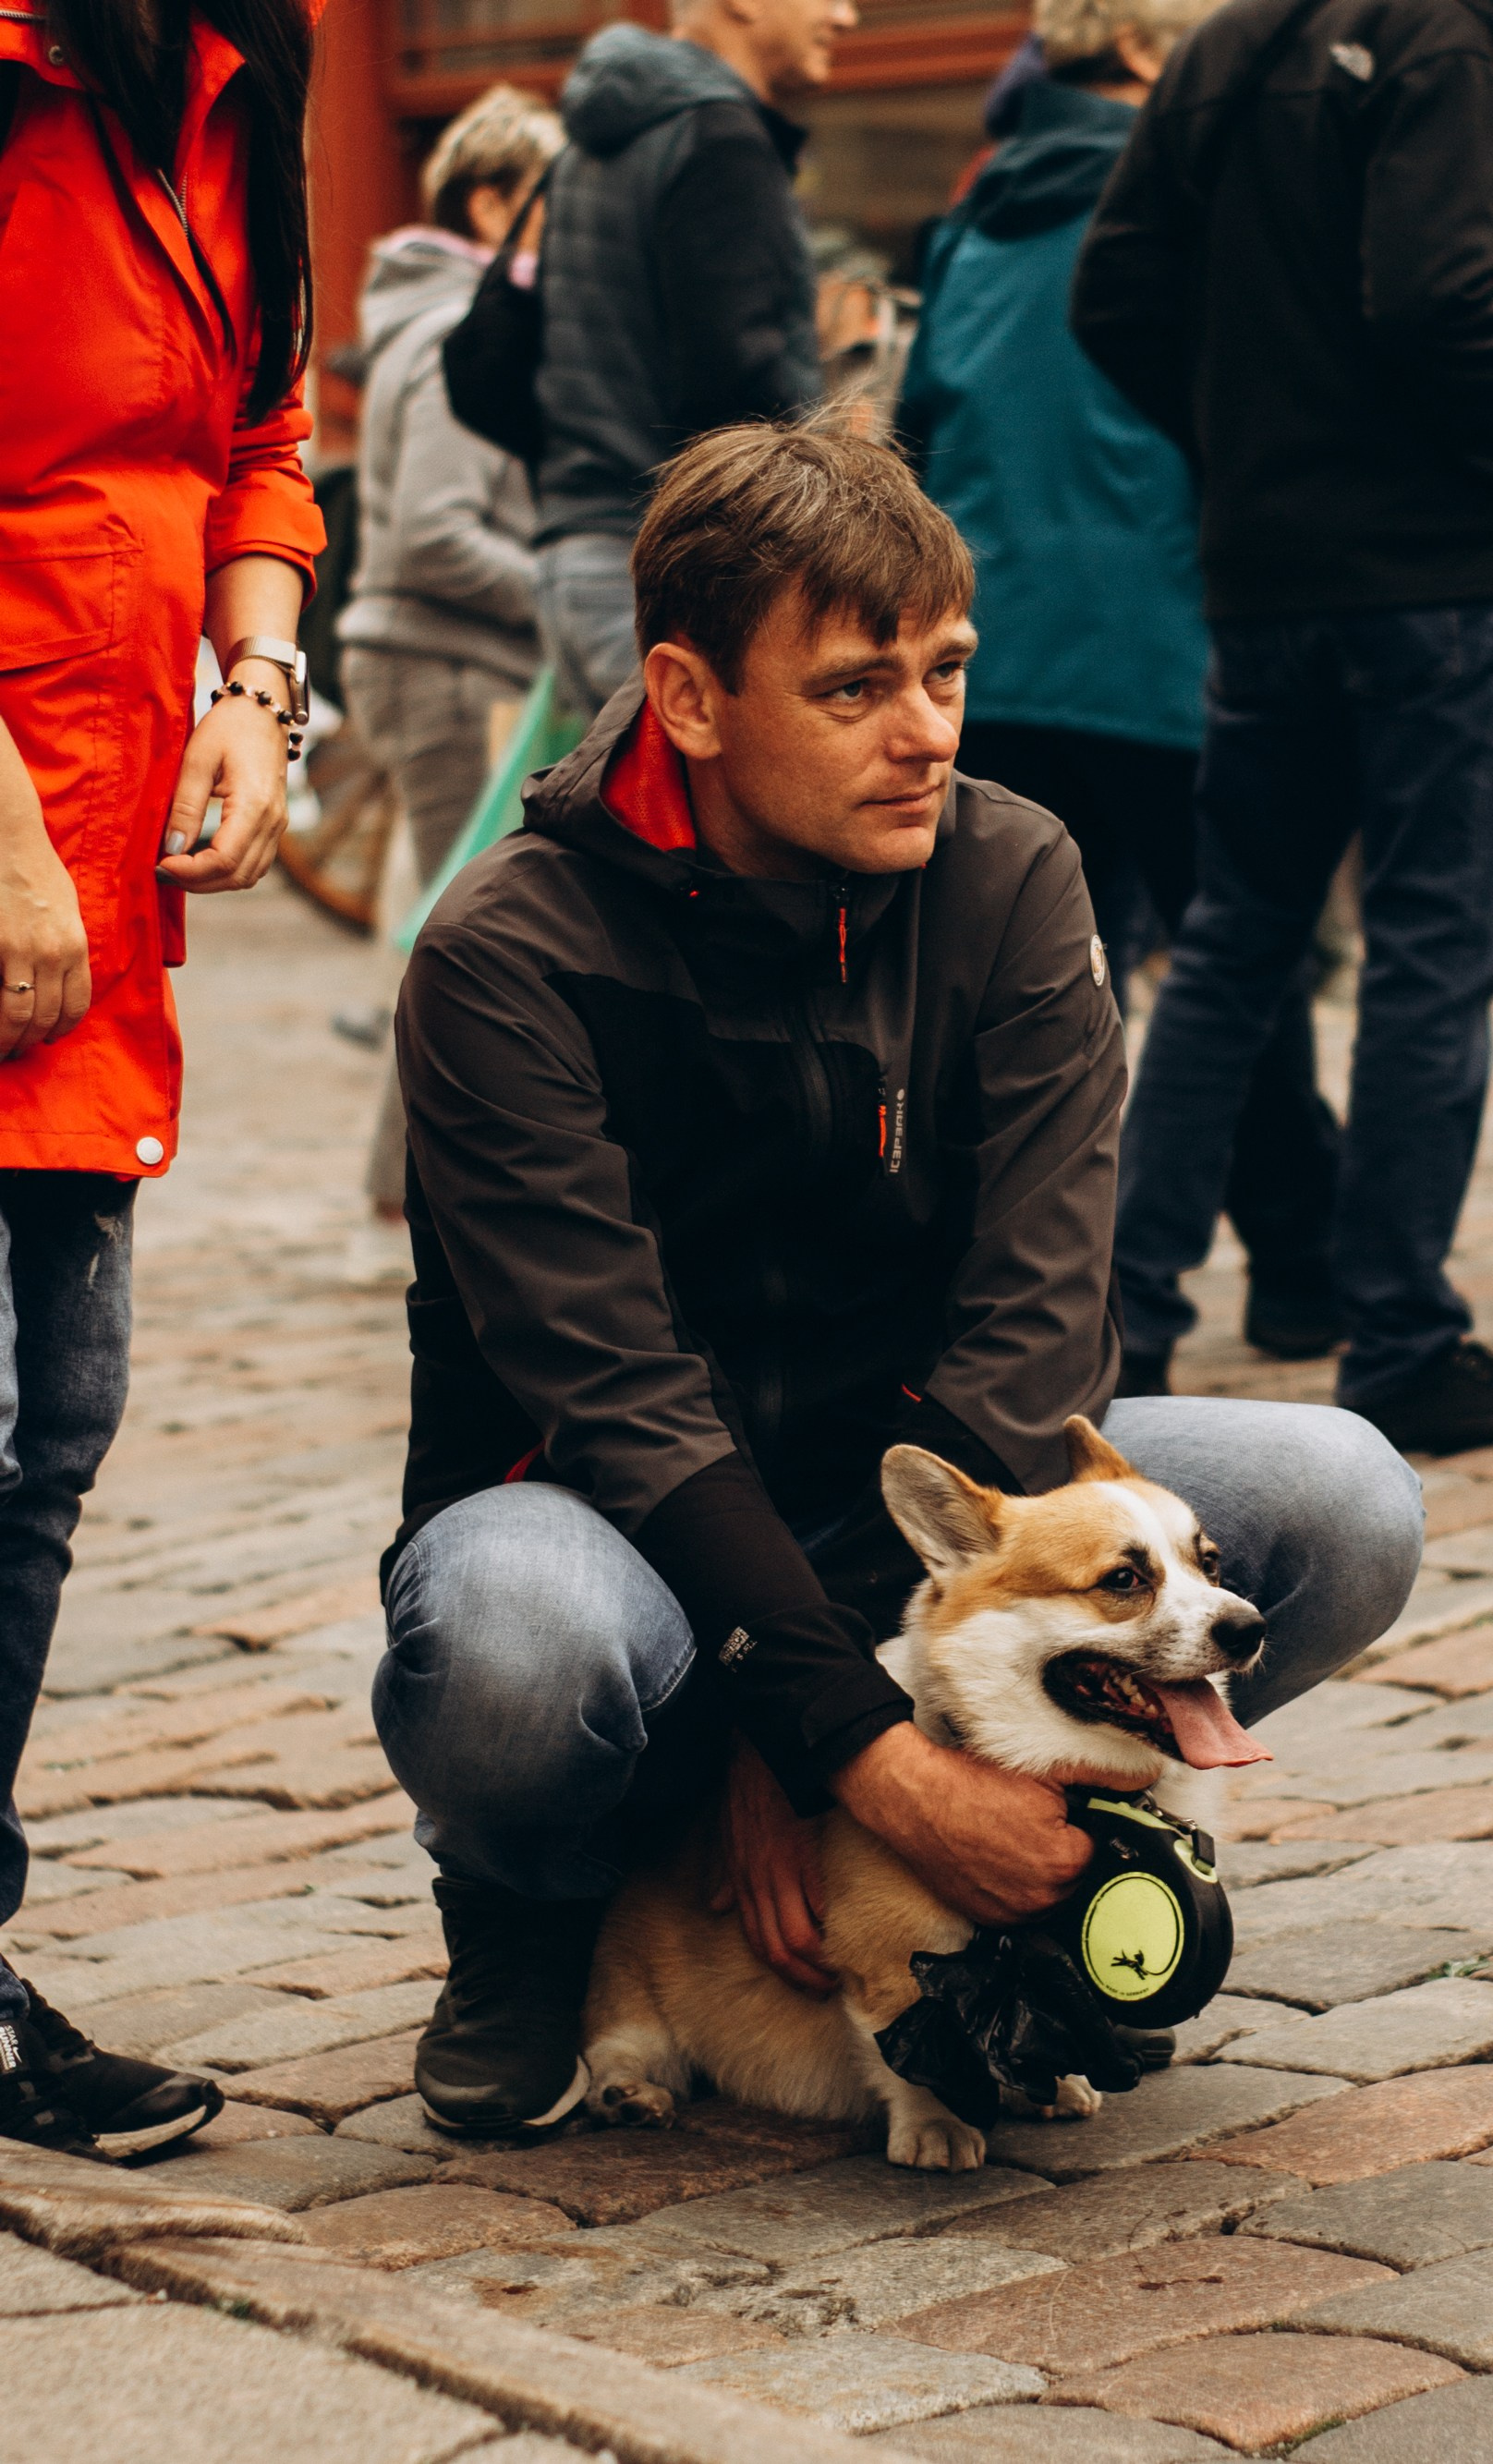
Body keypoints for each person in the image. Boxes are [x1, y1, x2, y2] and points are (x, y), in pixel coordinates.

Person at [377, 424, 1425, 2137]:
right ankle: (535, 1908)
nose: (928, 730)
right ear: (689, 698)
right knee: (512, 1647)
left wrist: (826, 1731)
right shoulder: (507, 953)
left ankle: (1048, 1871)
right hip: (616, 1519)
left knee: (1344, 1497)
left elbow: (1041, 1327)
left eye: (946, 671)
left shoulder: (1014, 874)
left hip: (930, 1509)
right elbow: (623, 1400)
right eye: (856, 688)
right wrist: (822, 1731)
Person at [1070, 0, 1493, 1451]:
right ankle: (1403, 1339)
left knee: (1234, 940)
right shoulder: (1427, 32)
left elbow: (1111, 294)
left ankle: (1117, 1323)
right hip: (1427, 577)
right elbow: (1438, 294)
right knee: (1433, 948)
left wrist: (1239, 445)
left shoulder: (1220, 45)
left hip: (1266, 578)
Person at [0, 0, 324, 2153]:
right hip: (15, 834)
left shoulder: (226, 78)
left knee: (52, 1427)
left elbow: (262, 432)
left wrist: (259, 683)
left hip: (102, 859)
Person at [897, 0, 1341, 1361]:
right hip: (1162, 641)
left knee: (1020, 994)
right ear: (1155, 56)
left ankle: (1034, 1288)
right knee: (1236, 961)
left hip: (993, 659)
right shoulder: (1199, 198)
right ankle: (1290, 1265)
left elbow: (917, 432)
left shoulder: (972, 219)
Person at [335, 84, 562, 1276]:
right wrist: (569, 589)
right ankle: (401, 1207)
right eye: (552, 203)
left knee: (462, 931)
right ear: (490, 202)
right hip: (447, 663)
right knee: (472, 941)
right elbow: (434, 532)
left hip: (443, 659)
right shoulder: (451, 333)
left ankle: (403, 1197)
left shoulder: (436, 315)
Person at [531, 0, 856, 721]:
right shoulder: (722, 137)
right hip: (676, 579)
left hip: (575, 556)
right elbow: (743, 386)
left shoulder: (586, 142)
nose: (846, 15)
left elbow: (490, 358)